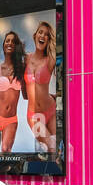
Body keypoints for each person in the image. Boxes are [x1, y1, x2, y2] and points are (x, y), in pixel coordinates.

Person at [0, 31, 26, 151]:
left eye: (13, 41)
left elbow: (25, 96)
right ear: (4, 44)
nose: (10, 43)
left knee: (6, 150)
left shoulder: (22, 68)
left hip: (11, 119)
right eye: (7, 40)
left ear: (16, 46)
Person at [25, 21, 58, 153]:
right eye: (40, 32)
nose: (42, 36)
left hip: (51, 109)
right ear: (35, 36)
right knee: (52, 148)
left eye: (46, 35)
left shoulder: (51, 60)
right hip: (34, 115)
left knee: (58, 150)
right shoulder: (25, 59)